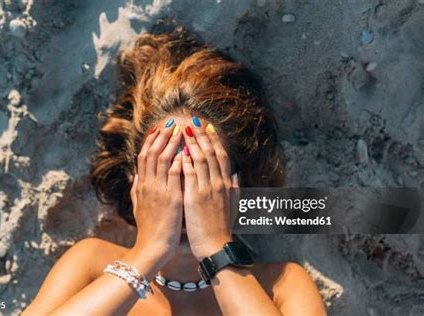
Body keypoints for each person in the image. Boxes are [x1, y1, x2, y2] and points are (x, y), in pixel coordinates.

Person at [23, 28, 326, 315]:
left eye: (201, 174)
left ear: (236, 185)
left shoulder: (281, 286)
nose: (183, 200)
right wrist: (147, 254)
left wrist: (216, 250)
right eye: (165, 173)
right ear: (136, 181)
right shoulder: (90, 264)